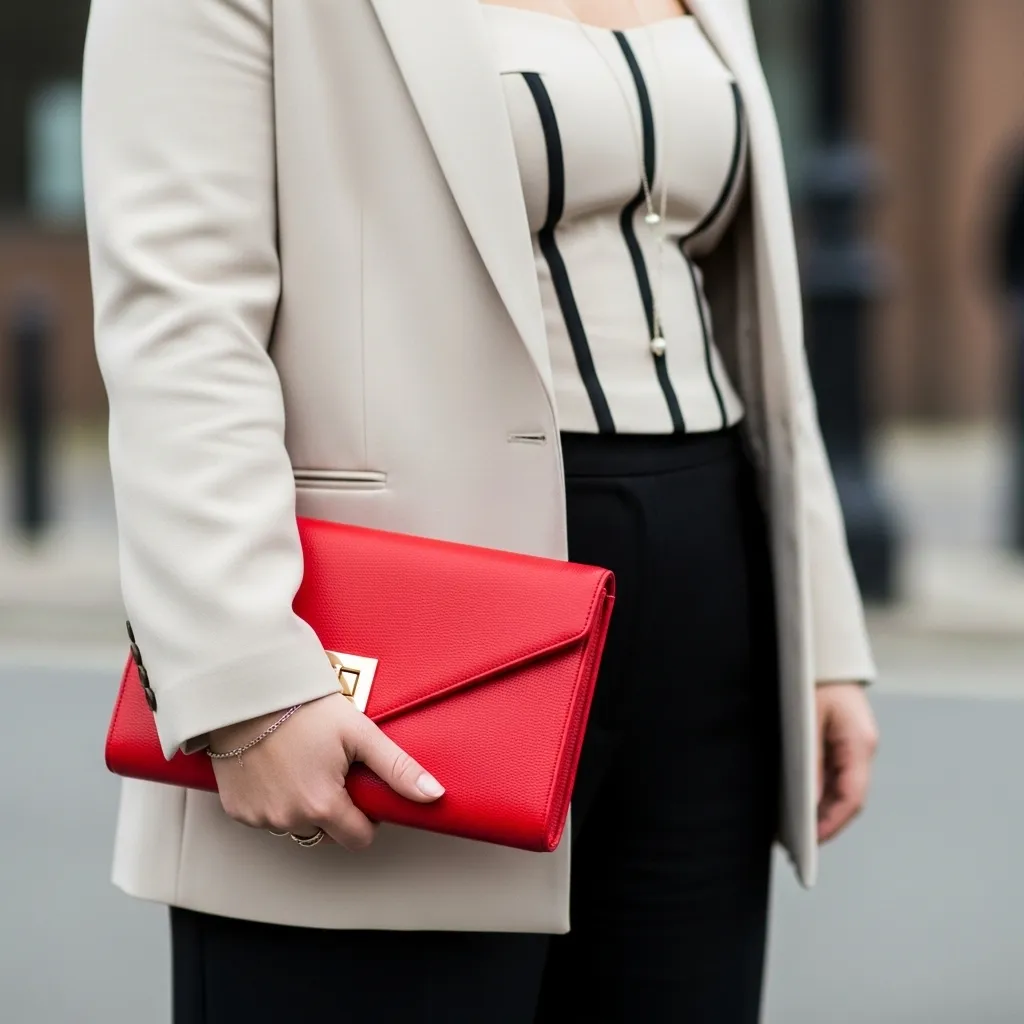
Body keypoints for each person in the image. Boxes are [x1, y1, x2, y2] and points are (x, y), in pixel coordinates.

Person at [82, 0, 879, 1020]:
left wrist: (820, 631)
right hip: (390, 635)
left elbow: (738, 305)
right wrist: (242, 682)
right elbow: (178, 311)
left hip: (709, 615)